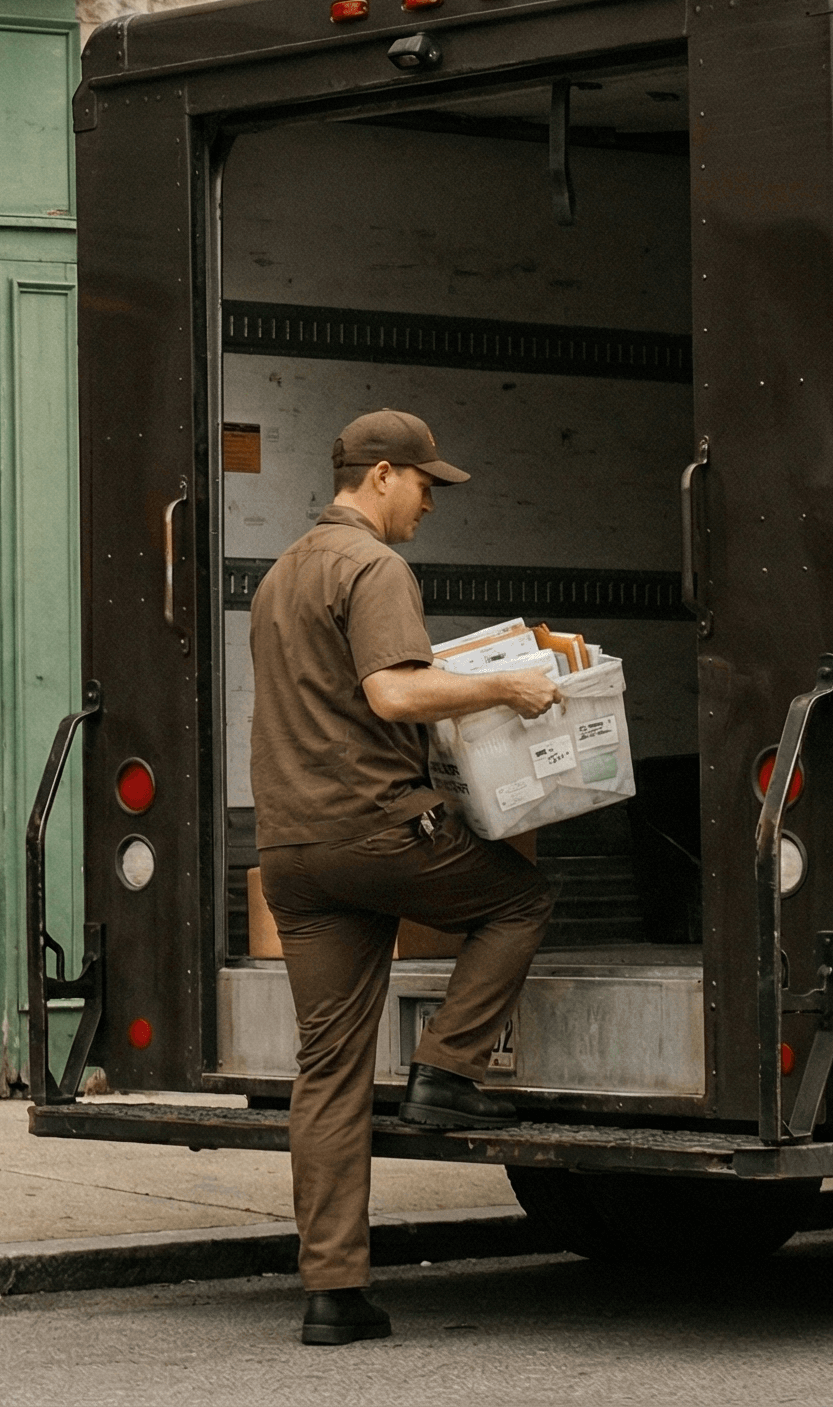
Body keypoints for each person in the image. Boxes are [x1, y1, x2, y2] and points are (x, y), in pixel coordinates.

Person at [248, 410, 560, 1347]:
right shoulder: (373, 566)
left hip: (291, 853)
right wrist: (511, 686)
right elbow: (393, 692)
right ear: (381, 475)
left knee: (330, 1070)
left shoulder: (279, 573)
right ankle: (447, 1071)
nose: (431, 501)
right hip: (376, 829)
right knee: (520, 897)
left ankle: (332, 1294)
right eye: (427, 484)